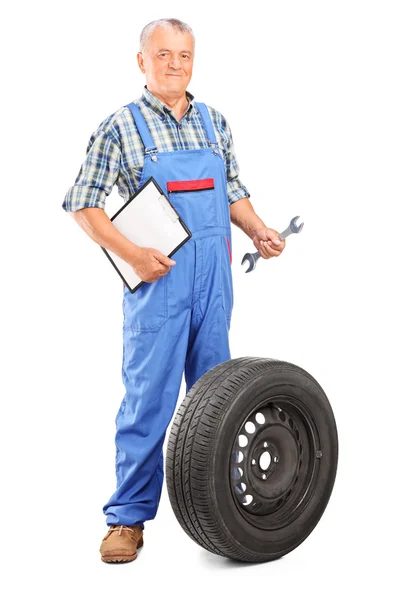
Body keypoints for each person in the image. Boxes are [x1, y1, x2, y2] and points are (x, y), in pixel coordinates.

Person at [62, 17, 286, 563]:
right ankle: (128, 520)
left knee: (219, 400)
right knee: (149, 403)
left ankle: (226, 508)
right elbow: (82, 204)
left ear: (193, 61)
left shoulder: (214, 122)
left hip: (214, 283)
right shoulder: (122, 127)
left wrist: (257, 228)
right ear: (142, 61)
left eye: (184, 55)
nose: (174, 65)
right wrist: (134, 254)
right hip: (158, 285)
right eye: (162, 55)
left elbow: (232, 191)